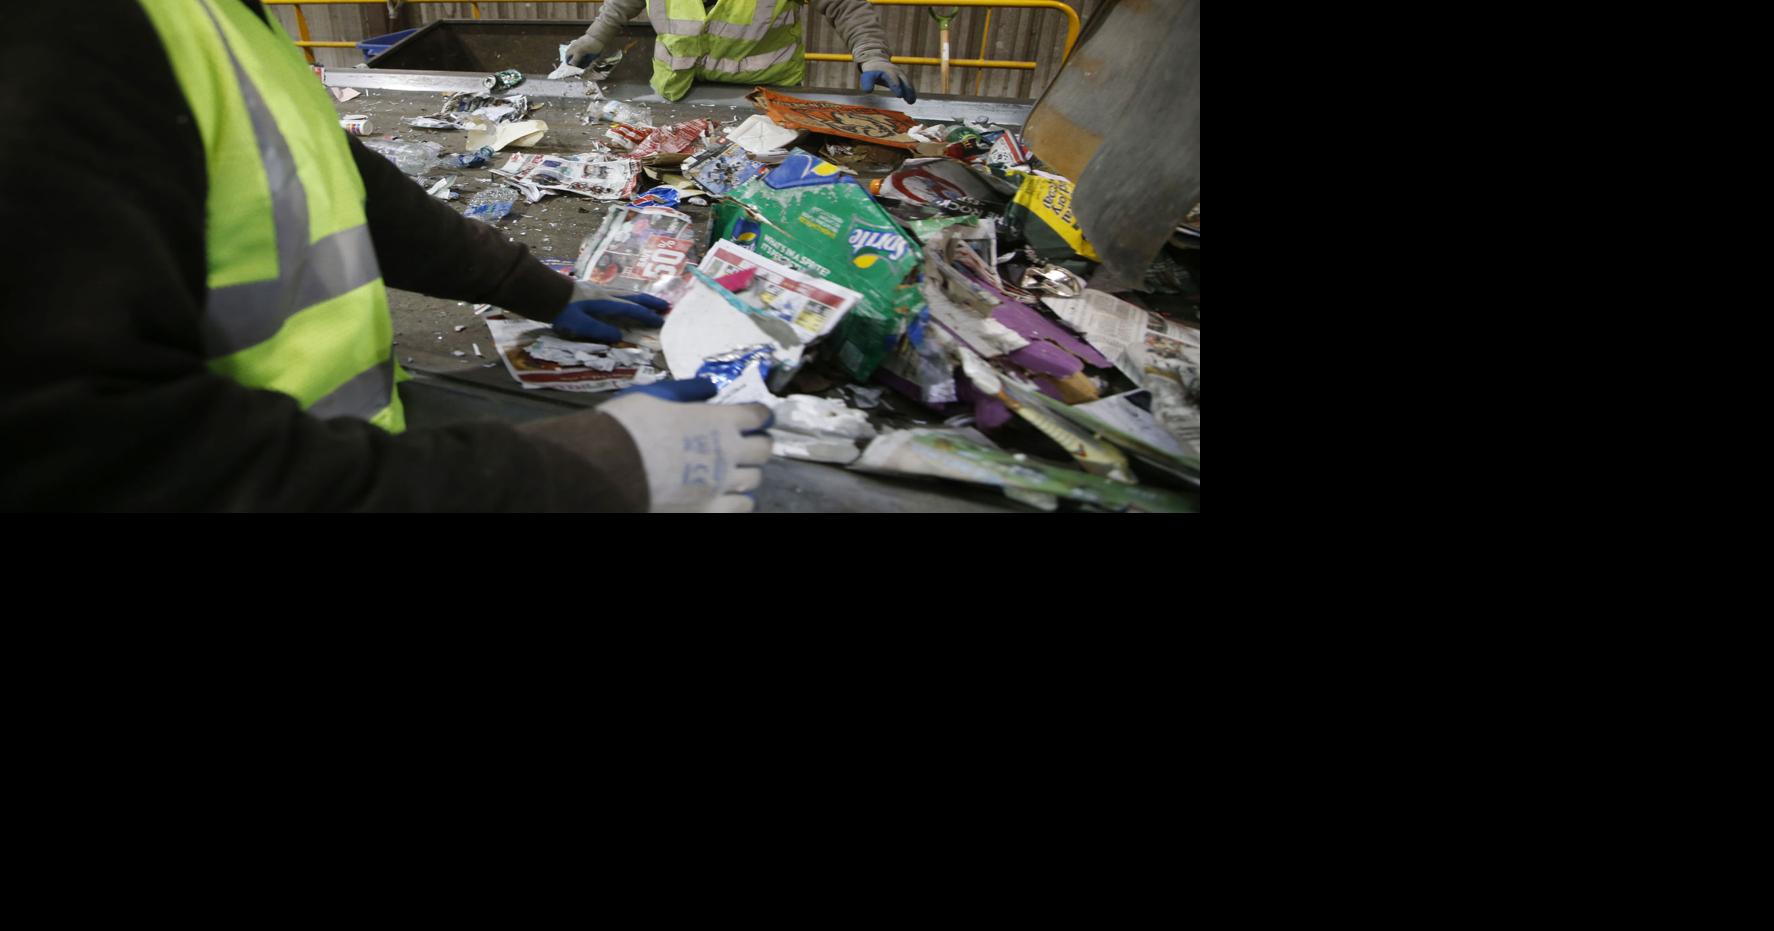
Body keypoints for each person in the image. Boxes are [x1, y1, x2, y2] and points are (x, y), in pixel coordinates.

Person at [0, 0, 771, 512]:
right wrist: (583, 473)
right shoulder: (58, 34)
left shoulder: (206, 17)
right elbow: (99, 462)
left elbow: (328, 178)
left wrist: (533, 286)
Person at [564, 0, 916, 104]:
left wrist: (872, 54)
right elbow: (624, 2)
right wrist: (595, 37)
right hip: (678, 95)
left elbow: (845, 5)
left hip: (764, 101)